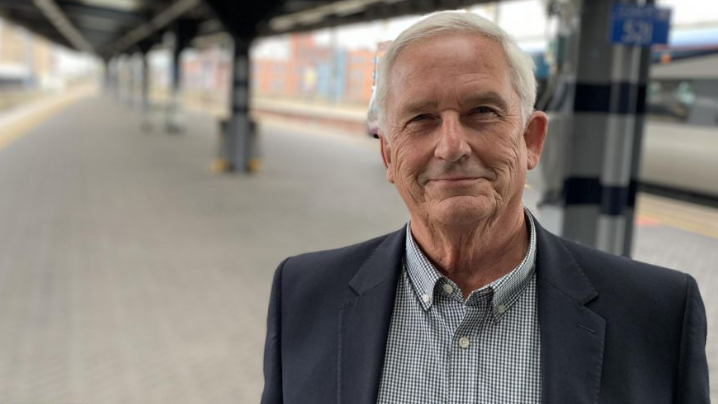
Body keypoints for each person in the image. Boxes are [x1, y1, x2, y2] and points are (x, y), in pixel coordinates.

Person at [260, 11, 709, 404]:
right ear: (389, 158)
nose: (452, 146)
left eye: (482, 112)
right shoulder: (302, 297)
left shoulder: (658, 315)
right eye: (421, 119)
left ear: (531, 140)